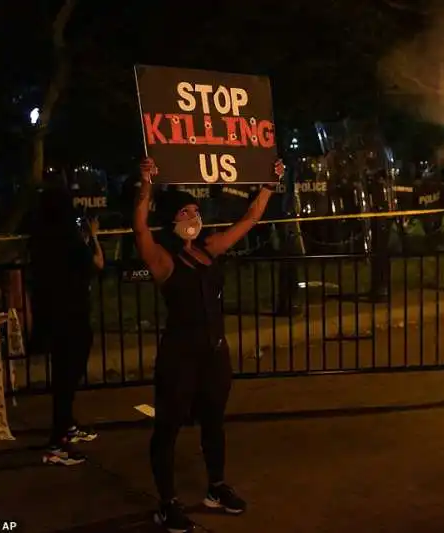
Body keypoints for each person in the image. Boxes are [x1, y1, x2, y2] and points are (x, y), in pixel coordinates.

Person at [134, 157, 284, 532]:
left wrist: (269, 184)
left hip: (214, 353)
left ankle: (216, 487)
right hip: (179, 358)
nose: (193, 217)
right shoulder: (164, 260)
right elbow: (139, 229)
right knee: (168, 428)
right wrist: (146, 185)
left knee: (214, 423)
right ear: (172, 220)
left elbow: (249, 220)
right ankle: (167, 503)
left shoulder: (210, 247)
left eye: (197, 211)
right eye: (185, 211)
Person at [29, 186, 104, 466]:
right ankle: (57, 443)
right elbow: (97, 263)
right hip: (72, 317)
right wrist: (93, 236)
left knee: (64, 376)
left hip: (53, 316)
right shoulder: (67, 240)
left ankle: (67, 428)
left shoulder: (40, 238)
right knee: (67, 379)